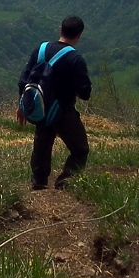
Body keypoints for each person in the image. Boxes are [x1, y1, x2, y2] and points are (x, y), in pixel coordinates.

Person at [18, 15, 92, 190]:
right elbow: (85, 93)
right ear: (79, 35)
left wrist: (21, 105)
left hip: (40, 106)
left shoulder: (41, 49)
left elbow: (24, 79)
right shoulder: (75, 59)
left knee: (42, 144)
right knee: (80, 150)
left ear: (60, 30)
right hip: (63, 111)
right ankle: (65, 182)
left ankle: (39, 181)